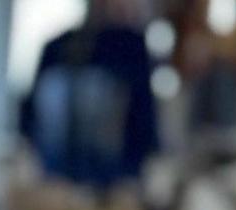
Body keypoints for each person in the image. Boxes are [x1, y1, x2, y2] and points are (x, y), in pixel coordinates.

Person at [20, 0, 161, 194]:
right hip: (55, 187)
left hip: (113, 188)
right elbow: (29, 120)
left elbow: (145, 122)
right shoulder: (55, 49)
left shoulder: (131, 49)